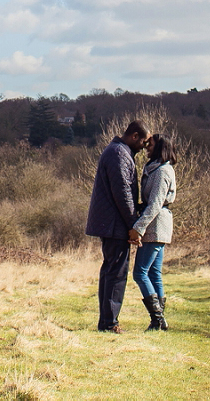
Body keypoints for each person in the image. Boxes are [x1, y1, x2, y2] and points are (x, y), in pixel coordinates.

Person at [84, 120, 148, 332]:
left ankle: (106, 322)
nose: (145, 147)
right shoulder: (119, 154)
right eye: (144, 141)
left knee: (110, 271)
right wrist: (133, 225)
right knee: (116, 274)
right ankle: (110, 323)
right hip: (114, 224)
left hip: (111, 222)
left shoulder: (117, 152)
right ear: (135, 136)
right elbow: (123, 193)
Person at [130, 133, 178, 331]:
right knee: (154, 273)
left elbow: (156, 203)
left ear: (160, 147)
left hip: (156, 225)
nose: (147, 147)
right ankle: (159, 322)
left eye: (151, 144)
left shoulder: (162, 172)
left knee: (140, 273)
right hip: (157, 224)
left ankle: (157, 319)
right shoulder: (157, 169)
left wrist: (138, 228)